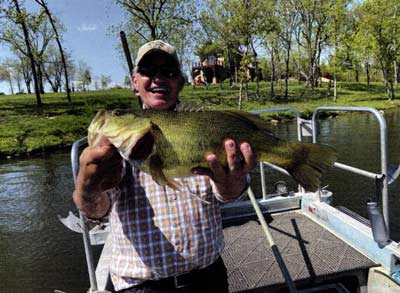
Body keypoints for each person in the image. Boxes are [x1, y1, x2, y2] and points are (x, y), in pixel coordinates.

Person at [72, 40, 255, 293]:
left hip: (208, 278)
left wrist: (232, 187)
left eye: (168, 72)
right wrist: (87, 190)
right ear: (134, 82)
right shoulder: (115, 144)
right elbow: (98, 210)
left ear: (180, 83)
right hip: (142, 287)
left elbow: (228, 194)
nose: (158, 78)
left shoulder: (203, 124)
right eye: (148, 71)